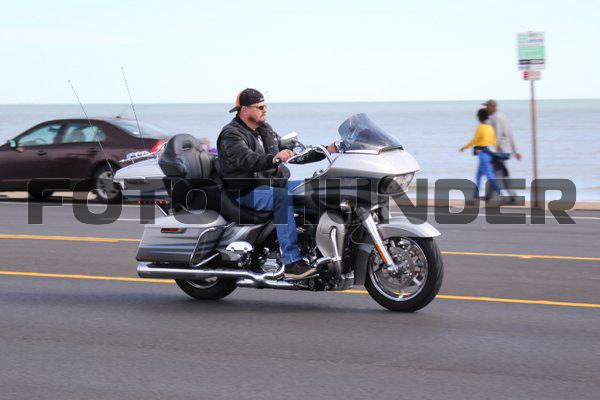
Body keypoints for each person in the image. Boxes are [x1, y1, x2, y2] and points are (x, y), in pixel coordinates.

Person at [217, 88, 338, 280]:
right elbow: (246, 159)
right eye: (260, 107)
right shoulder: (231, 134)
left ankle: (319, 248)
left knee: (315, 186)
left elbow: (294, 154)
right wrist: (273, 159)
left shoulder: (265, 130)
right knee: (281, 198)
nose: (264, 110)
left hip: (273, 184)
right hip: (247, 190)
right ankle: (291, 262)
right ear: (245, 110)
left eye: (265, 106)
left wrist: (327, 149)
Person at [460, 108, 502, 202]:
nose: (477, 117)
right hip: (488, 153)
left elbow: (474, 140)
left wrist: (464, 147)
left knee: (489, 175)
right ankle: (475, 196)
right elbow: (493, 142)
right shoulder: (490, 128)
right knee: (478, 175)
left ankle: (500, 193)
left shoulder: (480, 127)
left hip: (483, 154)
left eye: (477, 116)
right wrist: (496, 153)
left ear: (480, 117)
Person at [483, 100, 522, 202]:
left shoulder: (496, 118)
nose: (486, 109)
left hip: (499, 151)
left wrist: (492, 152)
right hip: (505, 150)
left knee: (497, 173)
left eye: (487, 106)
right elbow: (510, 134)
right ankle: (492, 195)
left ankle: (507, 195)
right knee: (500, 173)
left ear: (493, 106)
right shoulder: (503, 116)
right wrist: (515, 150)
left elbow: (497, 135)